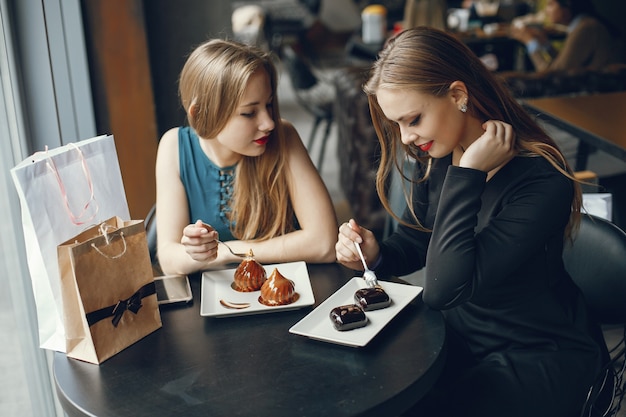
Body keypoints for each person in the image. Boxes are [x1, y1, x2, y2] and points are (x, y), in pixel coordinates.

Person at [335, 27, 607, 417]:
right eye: (396, 124)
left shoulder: (542, 179)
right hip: (461, 340)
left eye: (412, 119)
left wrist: (468, 174)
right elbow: (422, 241)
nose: (406, 137)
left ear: (458, 95)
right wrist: (377, 253)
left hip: (536, 354)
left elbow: (443, 289)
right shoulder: (443, 157)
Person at [155, 39, 337, 276]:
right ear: (201, 114)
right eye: (249, 113)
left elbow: (324, 243)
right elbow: (168, 258)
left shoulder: (284, 137)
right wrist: (194, 252)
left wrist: (226, 251)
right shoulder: (174, 146)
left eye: (269, 105)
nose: (269, 123)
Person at [510, 0, 623, 72]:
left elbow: (554, 75)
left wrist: (530, 42)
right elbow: (566, 63)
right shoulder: (585, 24)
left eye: (551, 4)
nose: (546, 11)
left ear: (566, 5)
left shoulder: (586, 28)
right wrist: (546, 44)